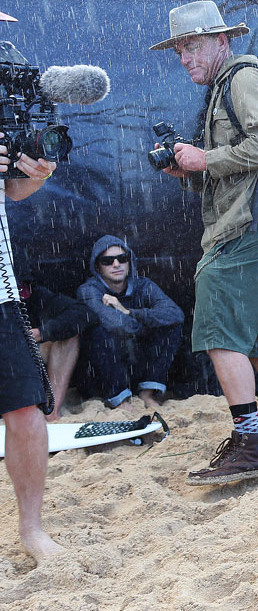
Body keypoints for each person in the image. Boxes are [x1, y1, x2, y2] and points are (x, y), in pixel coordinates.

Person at [151, 1, 258, 485]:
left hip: (252, 228)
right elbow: (240, 165)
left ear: (222, 41)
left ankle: (248, 442)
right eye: (180, 50)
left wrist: (205, 159)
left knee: (220, 328)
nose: (185, 58)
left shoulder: (242, 78)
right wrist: (192, 169)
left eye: (193, 46)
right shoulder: (228, 86)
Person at [0, 126, 64, 564]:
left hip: (0, 292)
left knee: (26, 408)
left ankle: (32, 529)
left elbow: (13, 191)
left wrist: (36, 174)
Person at [77, 236, 184, 411]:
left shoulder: (144, 285)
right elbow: (116, 325)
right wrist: (145, 325)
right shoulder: (88, 290)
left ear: (130, 260)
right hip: (100, 374)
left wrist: (129, 312)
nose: (116, 264)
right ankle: (119, 399)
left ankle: (147, 393)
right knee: (99, 331)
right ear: (97, 266)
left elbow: (176, 314)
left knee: (171, 327)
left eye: (122, 258)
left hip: (136, 364)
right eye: (107, 261)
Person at [20, 281, 96, 422]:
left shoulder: (33, 295)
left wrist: (40, 333)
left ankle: (52, 410)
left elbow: (83, 313)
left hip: (24, 359)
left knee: (67, 335)